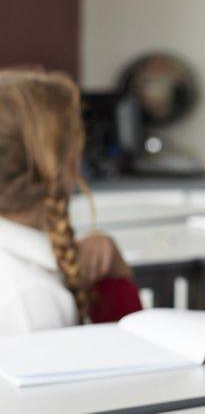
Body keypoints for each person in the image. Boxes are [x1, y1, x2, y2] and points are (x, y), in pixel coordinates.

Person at [0, 69, 135, 334]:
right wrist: (119, 279)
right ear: (67, 168)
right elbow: (126, 364)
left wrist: (112, 276)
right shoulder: (31, 297)